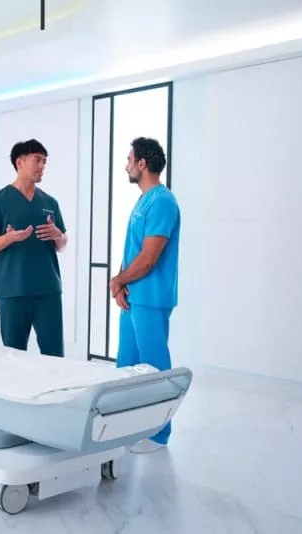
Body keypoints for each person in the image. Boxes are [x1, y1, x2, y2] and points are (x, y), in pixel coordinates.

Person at [109, 137, 180, 454]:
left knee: (153, 369)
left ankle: (158, 434)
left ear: (142, 164)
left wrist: (119, 280)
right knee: (127, 366)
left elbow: (150, 257)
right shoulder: (142, 200)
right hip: (132, 297)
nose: (125, 164)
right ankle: (129, 427)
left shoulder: (163, 201)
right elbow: (133, 251)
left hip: (151, 298)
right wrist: (122, 284)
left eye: (129, 159)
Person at [0, 139, 68, 357]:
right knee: (15, 357)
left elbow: (62, 245)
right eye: (38, 160)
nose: (42, 166)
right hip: (13, 292)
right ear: (20, 162)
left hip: (48, 291)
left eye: (44, 162)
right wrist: (8, 238)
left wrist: (59, 236)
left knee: (55, 356)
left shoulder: (50, 202)